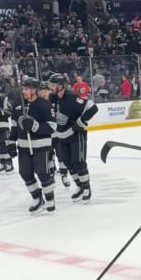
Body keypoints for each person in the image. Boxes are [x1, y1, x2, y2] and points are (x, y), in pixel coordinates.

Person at [8, 77, 56, 214]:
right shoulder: (18, 104)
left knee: (43, 174)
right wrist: (11, 142)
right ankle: (37, 198)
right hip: (23, 148)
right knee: (25, 173)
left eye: (26, 89)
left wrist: (34, 126)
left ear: (34, 90)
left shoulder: (45, 105)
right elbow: (14, 126)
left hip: (42, 147)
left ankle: (50, 199)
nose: (23, 91)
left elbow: (52, 127)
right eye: (23, 89)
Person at [49, 73, 98, 203]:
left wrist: (80, 122)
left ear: (60, 86)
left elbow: (93, 107)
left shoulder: (71, 97)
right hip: (62, 136)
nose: (51, 87)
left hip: (76, 135)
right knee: (67, 162)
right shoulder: (52, 98)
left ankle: (87, 188)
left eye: (53, 85)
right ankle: (80, 186)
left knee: (79, 162)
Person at [40, 79, 69, 188]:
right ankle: (51, 175)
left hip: (57, 134)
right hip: (46, 135)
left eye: (46, 91)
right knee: (49, 156)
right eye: (42, 91)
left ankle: (64, 175)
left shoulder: (56, 100)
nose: (43, 93)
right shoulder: (38, 103)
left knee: (61, 155)